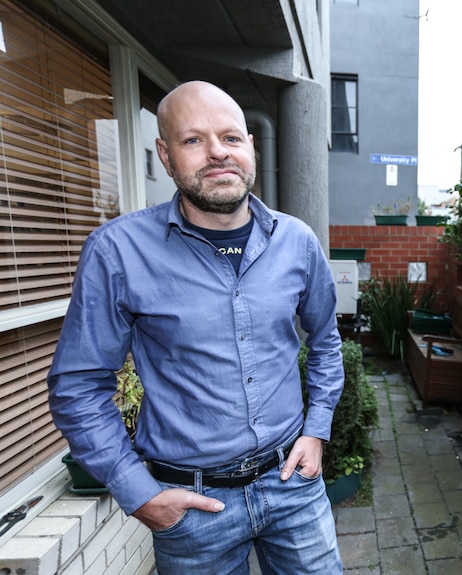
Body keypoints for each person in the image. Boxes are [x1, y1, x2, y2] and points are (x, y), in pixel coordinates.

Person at [47, 80, 344, 574]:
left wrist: (317, 429)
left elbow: (327, 341)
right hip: (192, 508)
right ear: (165, 155)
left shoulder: (297, 241)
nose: (216, 154)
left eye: (230, 138)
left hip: (294, 485)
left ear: (249, 144)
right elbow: (78, 385)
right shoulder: (118, 251)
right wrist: (137, 492)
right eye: (193, 141)